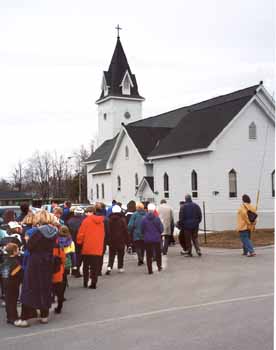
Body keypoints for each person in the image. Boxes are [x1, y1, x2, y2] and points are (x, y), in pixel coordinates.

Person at [15, 210, 58, 327]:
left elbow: (29, 247)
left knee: (29, 287)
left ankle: (24, 318)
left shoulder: (37, 233)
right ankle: (44, 315)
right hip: (47, 261)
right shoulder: (54, 231)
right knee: (45, 286)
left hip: (35, 262)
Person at [77, 205, 105, 289]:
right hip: (97, 247)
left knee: (86, 266)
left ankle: (86, 282)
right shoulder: (101, 222)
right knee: (94, 266)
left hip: (87, 247)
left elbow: (81, 234)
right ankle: (93, 282)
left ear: (89, 212)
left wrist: (79, 242)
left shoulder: (86, 221)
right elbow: (103, 234)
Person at [0, 243, 22, 325]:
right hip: (13, 285)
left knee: (8, 301)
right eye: (17, 250)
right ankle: (13, 318)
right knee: (13, 301)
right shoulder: (16, 263)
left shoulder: (4, 261)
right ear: (14, 252)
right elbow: (19, 275)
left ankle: (9, 317)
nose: (18, 251)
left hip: (5, 284)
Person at [141, 203, 163, 274]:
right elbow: (161, 229)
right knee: (158, 253)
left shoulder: (144, 219)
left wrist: (144, 234)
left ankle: (150, 270)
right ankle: (159, 266)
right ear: (154, 210)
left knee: (148, 255)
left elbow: (142, 229)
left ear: (147, 210)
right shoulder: (157, 218)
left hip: (147, 239)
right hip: (156, 238)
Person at [106, 205, 129, 275]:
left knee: (111, 254)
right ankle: (120, 267)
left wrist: (107, 239)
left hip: (112, 239)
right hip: (121, 239)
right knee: (121, 254)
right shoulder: (122, 220)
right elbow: (125, 230)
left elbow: (107, 231)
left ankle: (109, 266)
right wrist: (127, 240)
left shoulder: (109, 220)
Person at [67, 206, 85, 277]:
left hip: (71, 241)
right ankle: (76, 270)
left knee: (72, 255)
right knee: (79, 256)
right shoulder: (84, 220)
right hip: (80, 241)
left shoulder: (69, 221)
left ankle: (72, 269)